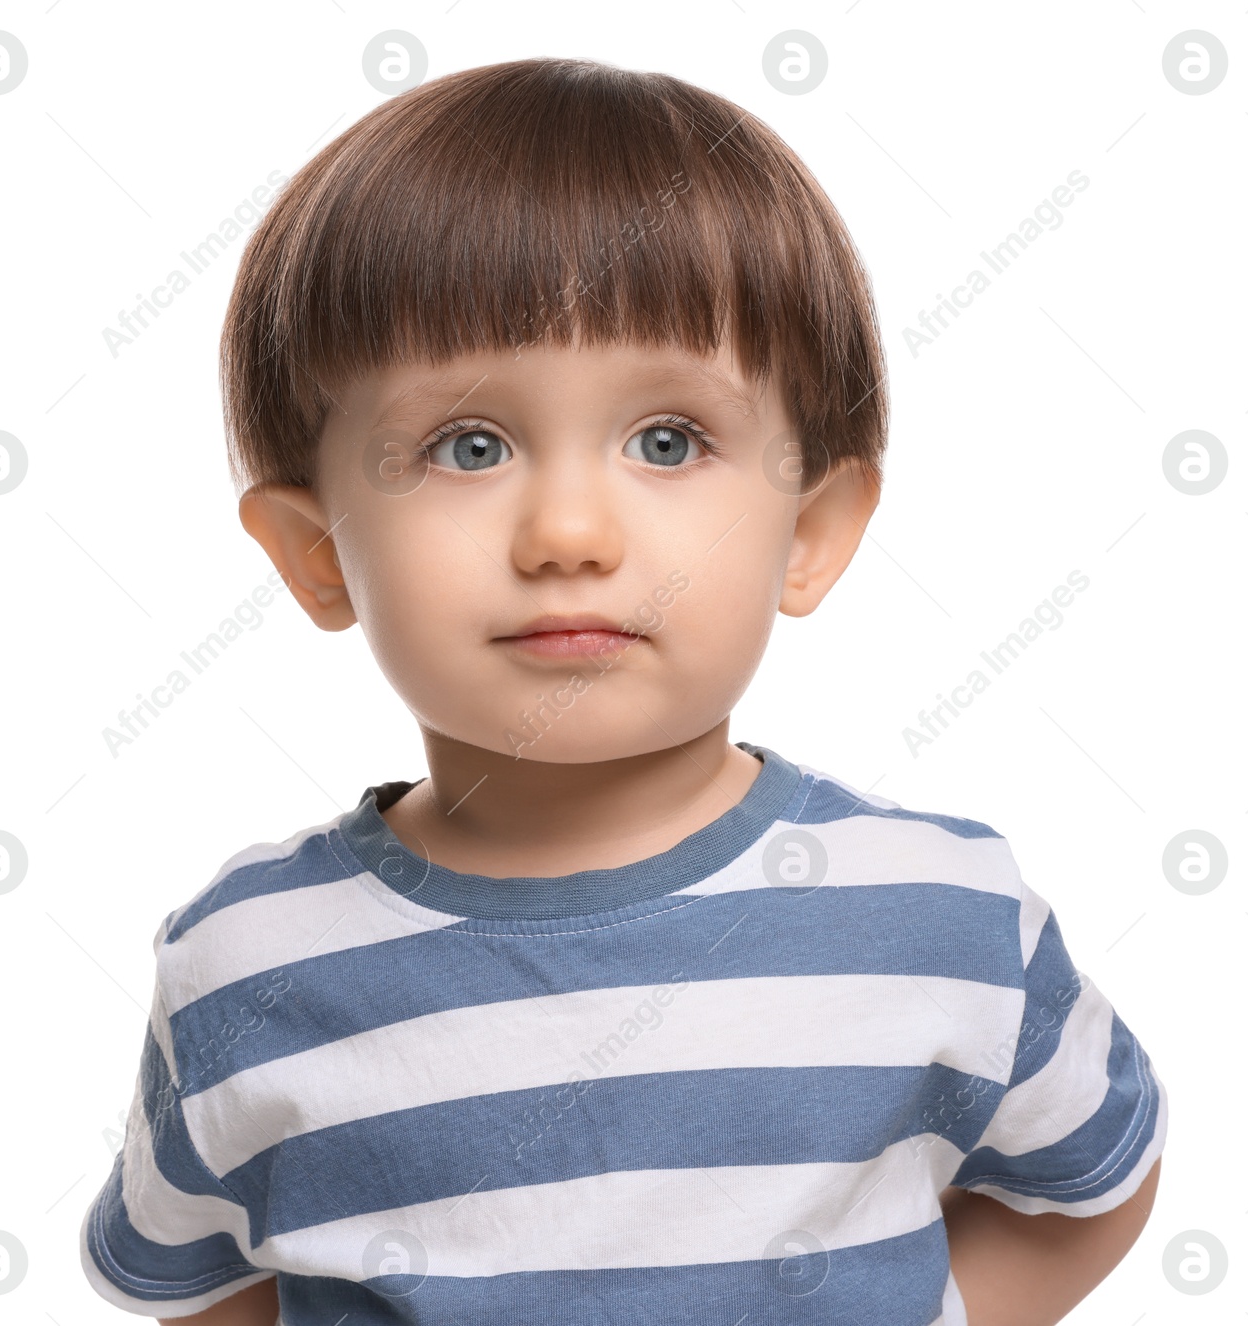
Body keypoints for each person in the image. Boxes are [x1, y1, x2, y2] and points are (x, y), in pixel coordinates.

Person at [79, 55, 1166, 1326]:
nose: (570, 530)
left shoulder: (943, 919)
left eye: (667, 441)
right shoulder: (246, 966)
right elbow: (196, 1279)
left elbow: (1094, 1181)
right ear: (316, 553)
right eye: (466, 446)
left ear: (810, 529)